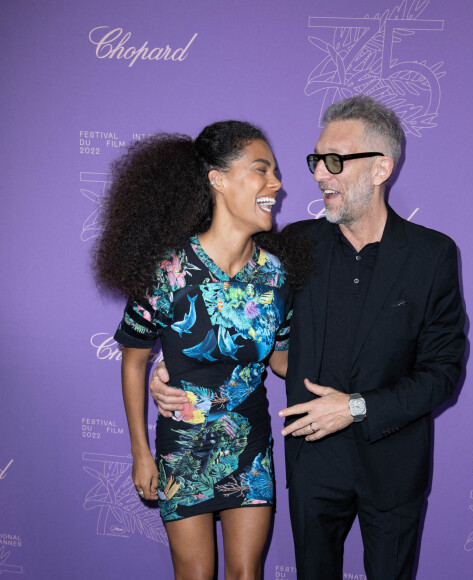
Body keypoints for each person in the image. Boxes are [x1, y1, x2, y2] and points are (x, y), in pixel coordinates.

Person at [150, 96, 466, 580]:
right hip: (313, 464)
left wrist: (355, 406)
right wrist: (175, 366)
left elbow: (442, 374)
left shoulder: (433, 255)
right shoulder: (292, 247)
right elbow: (232, 311)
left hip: (394, 466)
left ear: (381, 168)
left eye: (335, 162)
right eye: (316, 160)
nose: (320, 174)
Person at [93, 123, 311, 580]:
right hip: (183, 447)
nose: (277, 184)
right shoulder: (168, 272)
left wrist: (343, 374)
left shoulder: (278, 277)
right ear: (218, 179)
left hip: (250, 443)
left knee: (245, 574)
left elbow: (281, 359)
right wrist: (139, 451)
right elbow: (134, 361)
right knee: (194, 574)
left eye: (275, 172)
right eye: (261, 170)